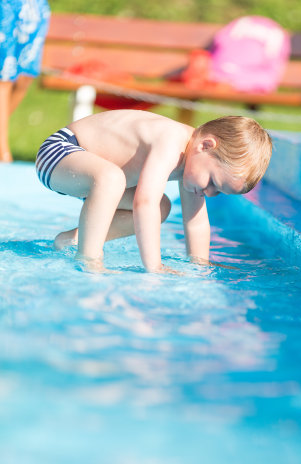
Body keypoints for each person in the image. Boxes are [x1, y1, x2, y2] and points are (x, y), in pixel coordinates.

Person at [35, 110, 272, 273]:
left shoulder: (194, 159)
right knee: (117, 181)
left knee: (162, 207)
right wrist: (154, 266)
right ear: (206, 145)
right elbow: (142, 203)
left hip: (98, 182)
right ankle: (88, 258)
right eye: (212, 182)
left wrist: (201, 265)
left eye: (218, 192)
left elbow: (195, 222)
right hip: (61, 152)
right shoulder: (171, 141)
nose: (209, 193)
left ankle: (71, 241)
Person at [0, 0, 50, 161]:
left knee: (26, 76)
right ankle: (4, 155)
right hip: (5, 6)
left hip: (35, 6)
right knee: (4, 77)